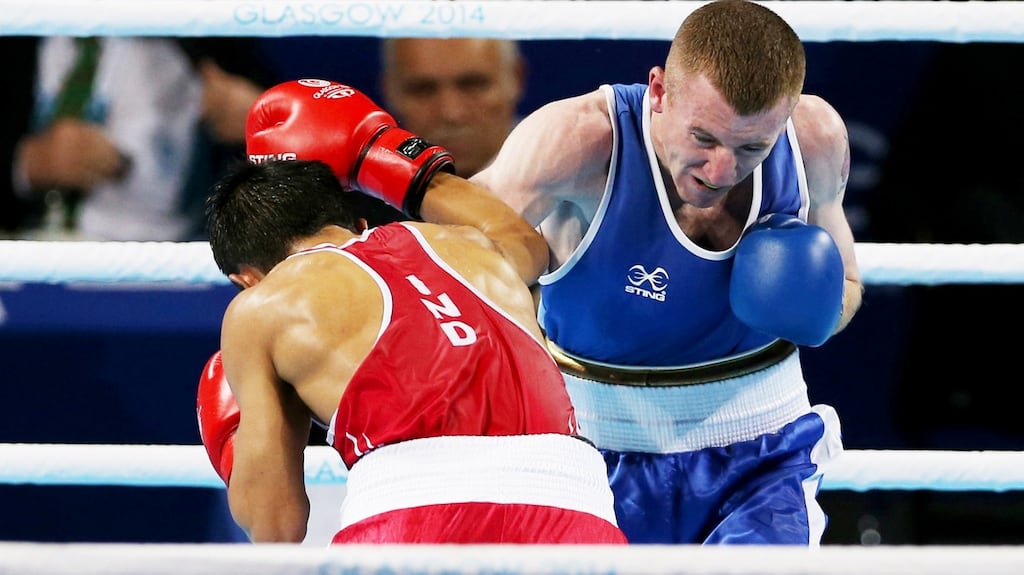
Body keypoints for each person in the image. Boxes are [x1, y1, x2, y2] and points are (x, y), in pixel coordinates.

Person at [469, 0, 863, 545]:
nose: (721, 169)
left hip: (763, 452)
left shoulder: (814, 138)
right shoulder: (581, 140)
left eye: (753, 146)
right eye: (704, 138)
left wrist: (819, 310)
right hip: (591, 452)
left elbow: (847, 286)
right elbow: (455, 260)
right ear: (658, 90)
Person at [196, 79, 627, 544]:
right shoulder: (475, 245)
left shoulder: (260, 308)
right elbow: (527, 241)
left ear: (246, 278)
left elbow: (276, 525)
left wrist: (237, 443)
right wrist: (379, 154)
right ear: (360, 224)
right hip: (577, 513)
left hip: (416, 521)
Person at [379, 38, 525, 179]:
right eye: (423, 90)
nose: (451, 113)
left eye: (472, 85)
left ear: (516, 79)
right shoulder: (360, 201)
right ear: (390, 92)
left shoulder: (547, 183)